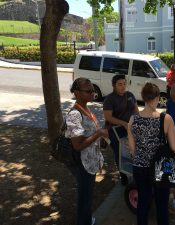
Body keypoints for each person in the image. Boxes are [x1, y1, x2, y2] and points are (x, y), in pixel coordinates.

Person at [127, 82, 175, 225]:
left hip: (139, 167)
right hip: (160, 168)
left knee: (143, 202)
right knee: (162, 205)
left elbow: (132, 149)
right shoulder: (166, 119)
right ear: (156, 98)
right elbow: (173, 147)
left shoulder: (133, 119)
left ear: (143, 97)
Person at [66, 77, 108, 225]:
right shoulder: (74, 114)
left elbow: (90, 133)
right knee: (85, 196)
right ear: (77, 92)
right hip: (82, 163)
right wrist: (98, 134)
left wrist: (101, 137)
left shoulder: (86, 108)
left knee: (88, 195)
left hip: (90, 160)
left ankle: (86, 219)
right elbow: (77, 145)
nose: (92, 93)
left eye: (93, 90)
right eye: (88, 91)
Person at [103, 74, 139, 185]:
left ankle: (135, 173)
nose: (123, 86)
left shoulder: (130, 95)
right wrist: (123, 123)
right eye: (120, 84)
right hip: (115, 130)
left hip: (130, 128)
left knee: (133, 151)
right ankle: (123, 177)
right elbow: (108, 117)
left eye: (124, 84)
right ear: (114, 85)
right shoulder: (109, 99)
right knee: (120, 153)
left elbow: (137, 111)